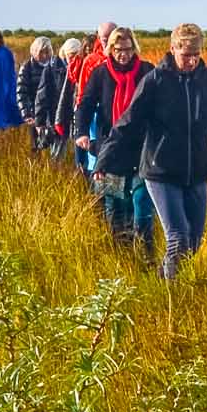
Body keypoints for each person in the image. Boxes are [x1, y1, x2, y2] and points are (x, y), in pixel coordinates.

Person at [98, 23, 207, 279]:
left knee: (193, 241)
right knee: (178, 239)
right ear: (172, 49)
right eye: (186, 55)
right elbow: (128, 122)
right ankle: (171, 297)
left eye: (196, 54)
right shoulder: (156, 81)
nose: (192, 61)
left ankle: (160, 280)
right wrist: (104, 159)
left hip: (197, 173)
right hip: (161, 171)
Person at [75, 27, 158, 252]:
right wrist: (81, 132)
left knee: (140, 202)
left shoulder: (147, 71)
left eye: (128, 49)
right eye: (119, 49)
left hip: (141, 148)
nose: (124, 54)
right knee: (114, 206)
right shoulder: (100, 73)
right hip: (109, 148)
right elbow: (86, 104)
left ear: (135, 48)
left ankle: (145, 253)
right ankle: (121, 255)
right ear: (110, 49)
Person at [61, 21, 119, 172]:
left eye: (109, 36)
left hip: (120, 111)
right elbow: (83, 96)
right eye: (102, 37)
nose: (105, 40)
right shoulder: (91, 60)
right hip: (96, 114)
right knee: (95, 154)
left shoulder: (125, 56)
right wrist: (82, 127)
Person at [20, 36, 69, 159]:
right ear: (34, 51)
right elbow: (21, 92)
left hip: (51, 112)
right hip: (33, 113)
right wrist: (27, 114)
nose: (45, 55)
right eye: (41, 51)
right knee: (36, 145)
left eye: (47, 51)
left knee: (52, 142)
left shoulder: (55, 65)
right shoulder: (27, 67)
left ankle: (52, 166)